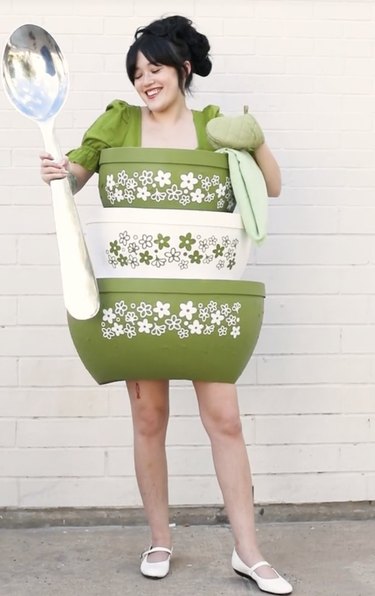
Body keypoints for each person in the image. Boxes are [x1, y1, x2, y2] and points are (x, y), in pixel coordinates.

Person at [40, 15, 292, 595]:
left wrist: (254, 136)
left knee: (224, 420)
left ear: (182, 69)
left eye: (154, 69)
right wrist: (62, 171)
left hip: (205, 296)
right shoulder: (119, 121)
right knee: (149, 418)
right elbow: (77, 174)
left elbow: (272, 186)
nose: (144, 81)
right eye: (136, 73)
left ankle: (248, 551)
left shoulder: (215, 126)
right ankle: (159, 538)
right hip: (138, 299)